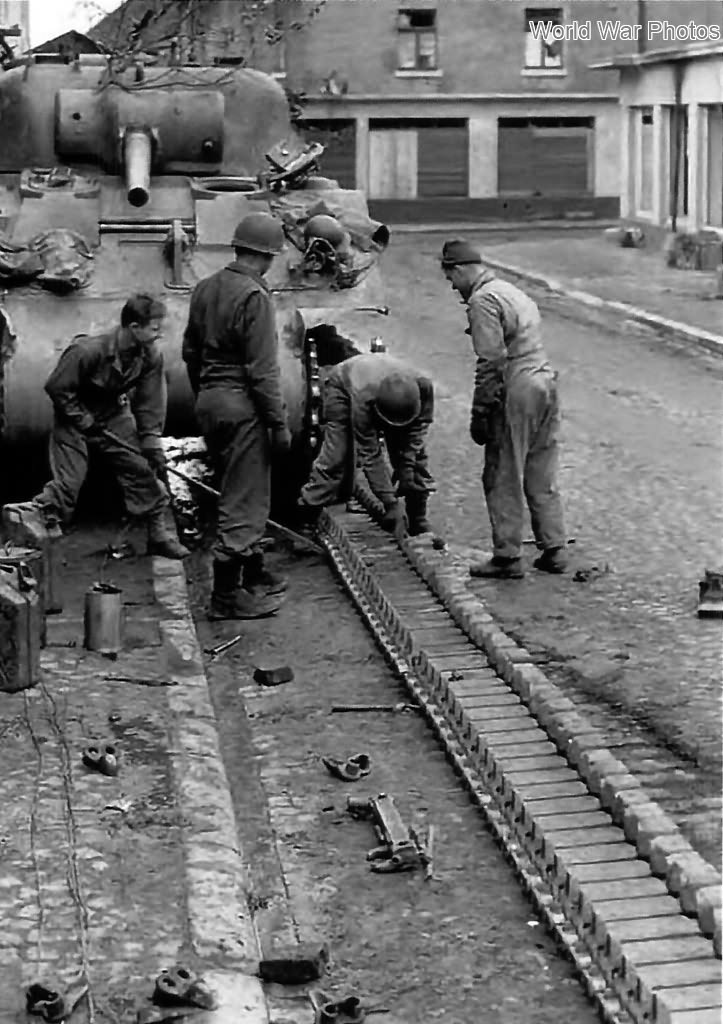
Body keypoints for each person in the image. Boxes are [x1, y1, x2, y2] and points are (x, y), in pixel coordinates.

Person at [4, 293, 189, 559]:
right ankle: (27, 534)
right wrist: (82, 419)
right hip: (73, 416)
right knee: (68, 483)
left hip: (113, 413)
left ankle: (158, 536)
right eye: (154, 328)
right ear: (134, 327)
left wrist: (150, 440)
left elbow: (151, 402)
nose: (159, 334)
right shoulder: (88, 351)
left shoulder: (149, 355)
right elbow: (57, 388)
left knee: (143, 470)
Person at [182, 211, 291, 621]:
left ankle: (251, 572)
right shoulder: (254, 297)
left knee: (234, 487)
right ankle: (226, 596)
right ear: (268, 256)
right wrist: (278, 423)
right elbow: (262, 371)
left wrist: (206, 395)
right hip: (242, 405)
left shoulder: (205, 288)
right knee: (244, 498)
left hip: (210, 400)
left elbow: (190, 352)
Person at [440, 239, 567, 578]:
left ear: (461, 269)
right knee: (541, 468)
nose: (452, 285)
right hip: (545, 381)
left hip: (519, 386)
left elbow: (492, 360)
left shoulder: (482, 301)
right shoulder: (511, 291)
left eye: (451, 276)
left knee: (502, 471)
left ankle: (507, 556)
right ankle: (554, 548)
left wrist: (480, 413)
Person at [298, 352, 435, 536]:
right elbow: (370, 453)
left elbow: (418, 431)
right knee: (336, 456)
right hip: (343, 385)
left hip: (374, 384)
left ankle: (417, 518)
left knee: (417, 458)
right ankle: (307, 515)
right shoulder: (363, 398)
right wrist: (390, 502)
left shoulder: (424, 386)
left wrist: (408, 467)